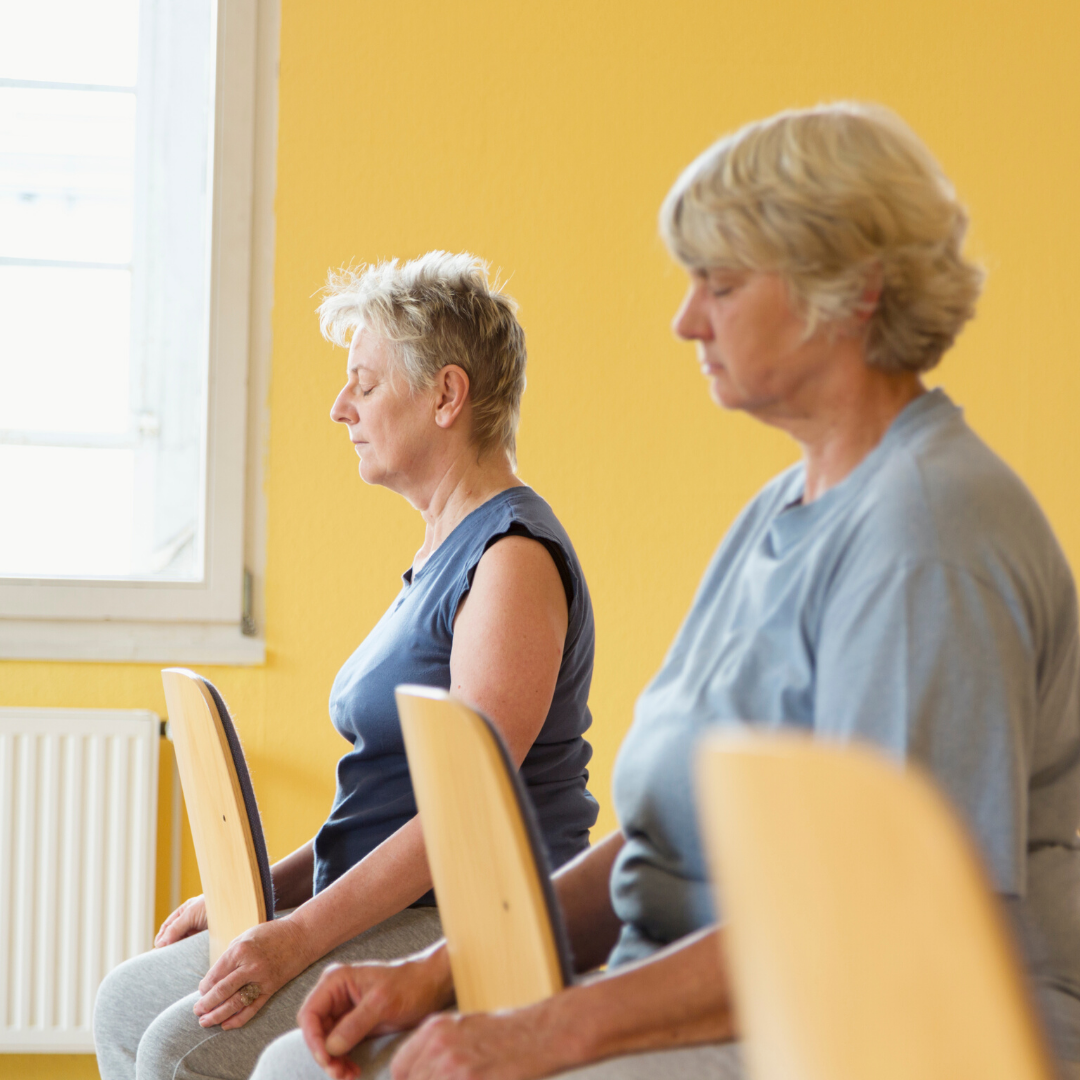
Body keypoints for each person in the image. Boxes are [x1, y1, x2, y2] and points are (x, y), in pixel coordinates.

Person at [249, 102, 1080, 1080]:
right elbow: (656, 844)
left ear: (853, 291)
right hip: (722, 987)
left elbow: (871, 922)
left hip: (884, 1027)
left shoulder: (927, 537)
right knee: (306, 1066)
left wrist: (546, 1028)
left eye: (721, 285)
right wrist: (442, 970)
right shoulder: (784, 506)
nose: (687, 319)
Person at [93, 251, 600, 1080]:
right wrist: (266, 891)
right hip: (401, 901)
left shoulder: (510, 559)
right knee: (127, 1002)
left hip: (474, 915)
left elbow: (461, 819)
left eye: (363, 383)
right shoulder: (442, 547)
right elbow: (379, 803)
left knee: (185, 1052)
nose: (339, 408)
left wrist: (295, 935)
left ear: (445, 395)